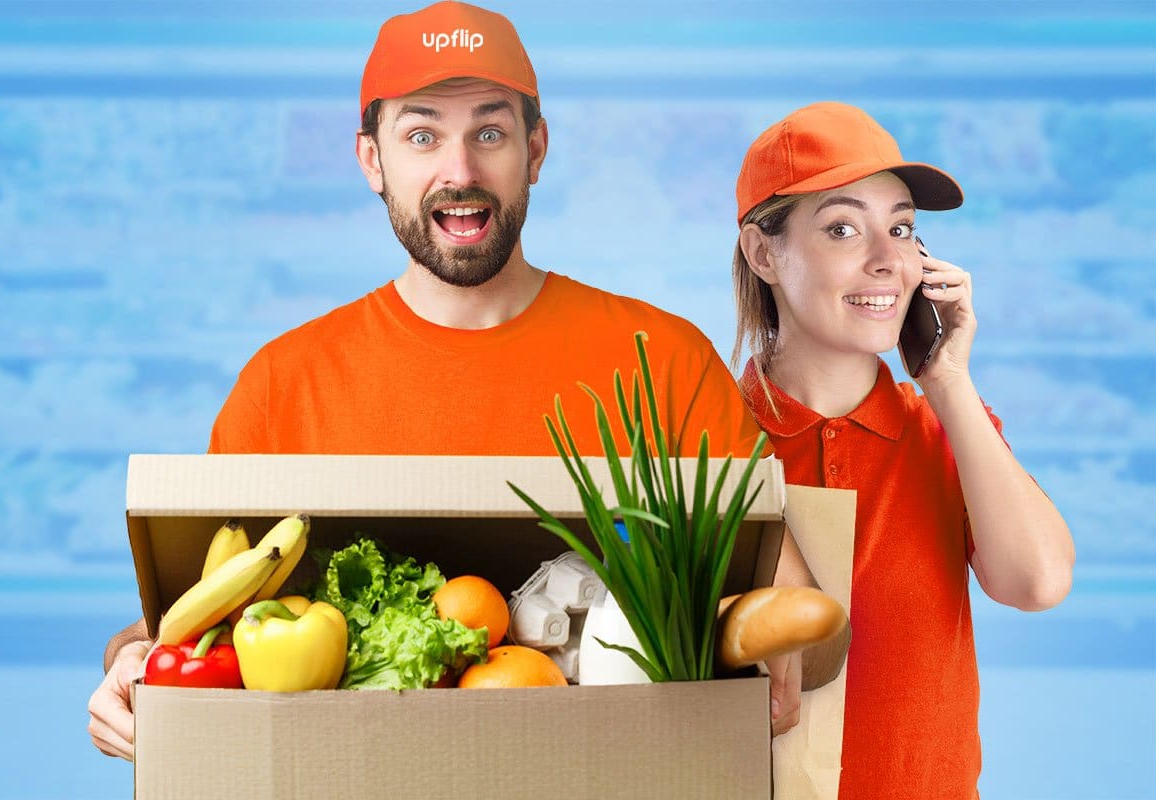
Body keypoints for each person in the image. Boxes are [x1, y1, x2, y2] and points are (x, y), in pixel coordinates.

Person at [88, 2, 849, 761]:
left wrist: (776, 652)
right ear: (370, 160)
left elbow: (810, 628)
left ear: (537, 150)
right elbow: (190, 627)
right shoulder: (283, 385)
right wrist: (127, 662)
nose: (460, 172)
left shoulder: (662, 360)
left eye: (491, 133)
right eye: (422, 136)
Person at [730, 100, 1075, 799]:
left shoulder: (947, 430)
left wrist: (948, 380)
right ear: (765, 253)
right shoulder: (708, 440)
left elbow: (1036, 583)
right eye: (843, 228)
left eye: (902, 228)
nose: (889, 260)